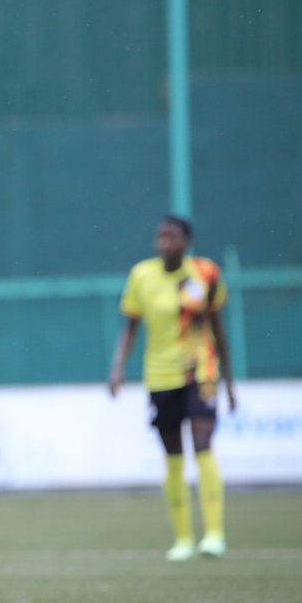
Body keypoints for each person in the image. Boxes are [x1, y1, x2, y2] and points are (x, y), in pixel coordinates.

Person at [108, 215, 237, 561]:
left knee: (203, 445)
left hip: (202, 372)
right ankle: (182, 538)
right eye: (160, 237)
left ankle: (214, 535)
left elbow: (219, 330)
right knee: (174, 456)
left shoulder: (206, 274)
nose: (165, 243)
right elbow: (130, 328)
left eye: (172, 237)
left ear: (186, 241)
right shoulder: (142, 276)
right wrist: (117, 369)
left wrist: (231, 384)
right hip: (160, 376)